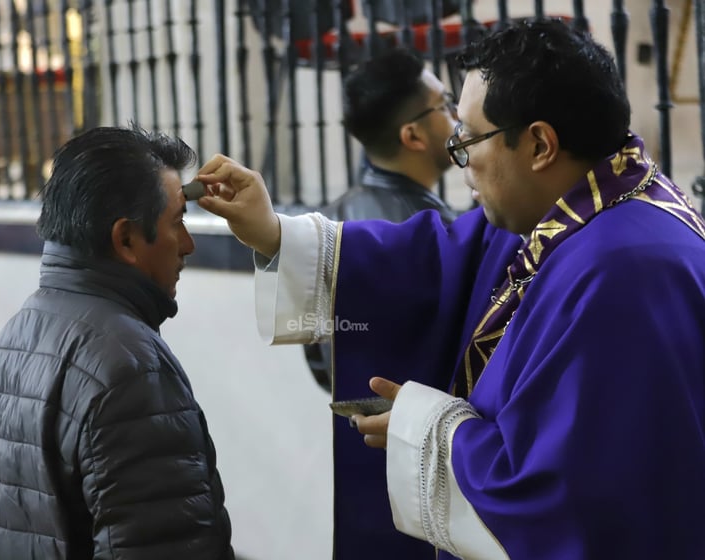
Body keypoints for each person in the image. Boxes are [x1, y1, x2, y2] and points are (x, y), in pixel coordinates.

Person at [194, 18, 705, 560]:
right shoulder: (592, 210)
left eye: (469, 139)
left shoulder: (625, 272)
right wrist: (275, 232)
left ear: (539, 145)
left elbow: (570, 502)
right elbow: (440, 262)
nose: (462, 162)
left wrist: (427, 429)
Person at [0, 125, 234, 559]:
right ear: (125, 239)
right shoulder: (130, 371)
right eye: (177, 222)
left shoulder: (12, 341)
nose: (188, 245)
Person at [305, 47, 459, 393]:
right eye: (445, 103)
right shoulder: (443, 235)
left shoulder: (326, 225)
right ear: (413, 136)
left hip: (357, 430)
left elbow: (319, 358)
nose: (458, 113)